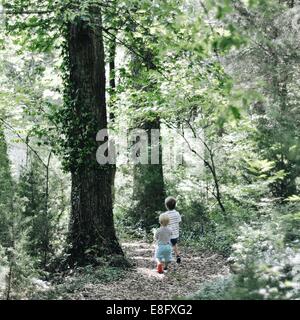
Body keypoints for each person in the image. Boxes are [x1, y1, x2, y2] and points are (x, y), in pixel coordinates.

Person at [164, 196, 182, 263]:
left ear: (166, 206)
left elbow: (164, 224)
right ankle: (178, 255)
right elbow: (179, 221)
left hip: (168, 234)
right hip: (175, 234)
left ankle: (168, 258)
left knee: (167, 246)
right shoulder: (177, 213)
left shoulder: (165, 214)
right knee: (174, 245)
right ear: (175, 205)